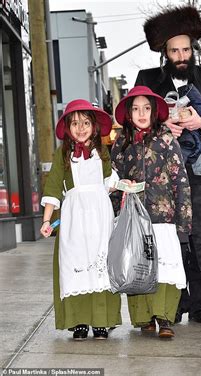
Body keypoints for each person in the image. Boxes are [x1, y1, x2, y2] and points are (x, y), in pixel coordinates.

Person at [136, 5, 201, 325]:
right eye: (174, 50)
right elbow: (135, 119)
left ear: (193, 49)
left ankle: (199, 305)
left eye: (185, 49)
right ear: (165, 53)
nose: (181, 55)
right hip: (163, 179)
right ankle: (175, 304)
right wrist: (163, 124)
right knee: (172, 242)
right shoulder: (148, 79)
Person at [110, 86, 192, 338]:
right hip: (133, 216)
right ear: (128, 113)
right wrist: (116, 206)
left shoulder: (167, 139)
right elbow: (112, 180)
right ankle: (144, 318)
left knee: (165, 267)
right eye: (135, 109)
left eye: (146, 108)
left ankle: (165, 317)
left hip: (163, 217)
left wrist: (184, 223)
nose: (141, 113)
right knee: (137, 264)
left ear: (155, 111)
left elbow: (181, 180)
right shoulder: (121, 143)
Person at [40, 99, 122, 340]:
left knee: (101, 266)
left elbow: (109, 181)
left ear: (94, 126)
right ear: (67, 127)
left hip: (100, 216)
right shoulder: (62, 154)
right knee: (75, 265)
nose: (81, 127)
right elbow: (53, 187)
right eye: (75, 123)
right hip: (75, 218)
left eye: (86, 122)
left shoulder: (102, 152)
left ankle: (101, 321)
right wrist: (46, 220)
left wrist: (121, 184)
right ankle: (79, 322)